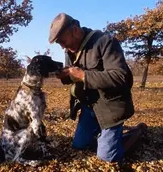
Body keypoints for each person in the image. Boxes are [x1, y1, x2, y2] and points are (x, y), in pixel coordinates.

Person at [48, 13, 147, 164]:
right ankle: (106, 137)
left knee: (107, 158)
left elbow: (120, 77)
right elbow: (73, 76)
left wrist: (83, 76)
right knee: (79, 145)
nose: (62, 46)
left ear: (75, 30)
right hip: (89, 108)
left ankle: (138, 132)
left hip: (111, 108)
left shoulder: (105, 41)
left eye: (62, 40)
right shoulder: (70, 49)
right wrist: (66, 76)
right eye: (59, 43)